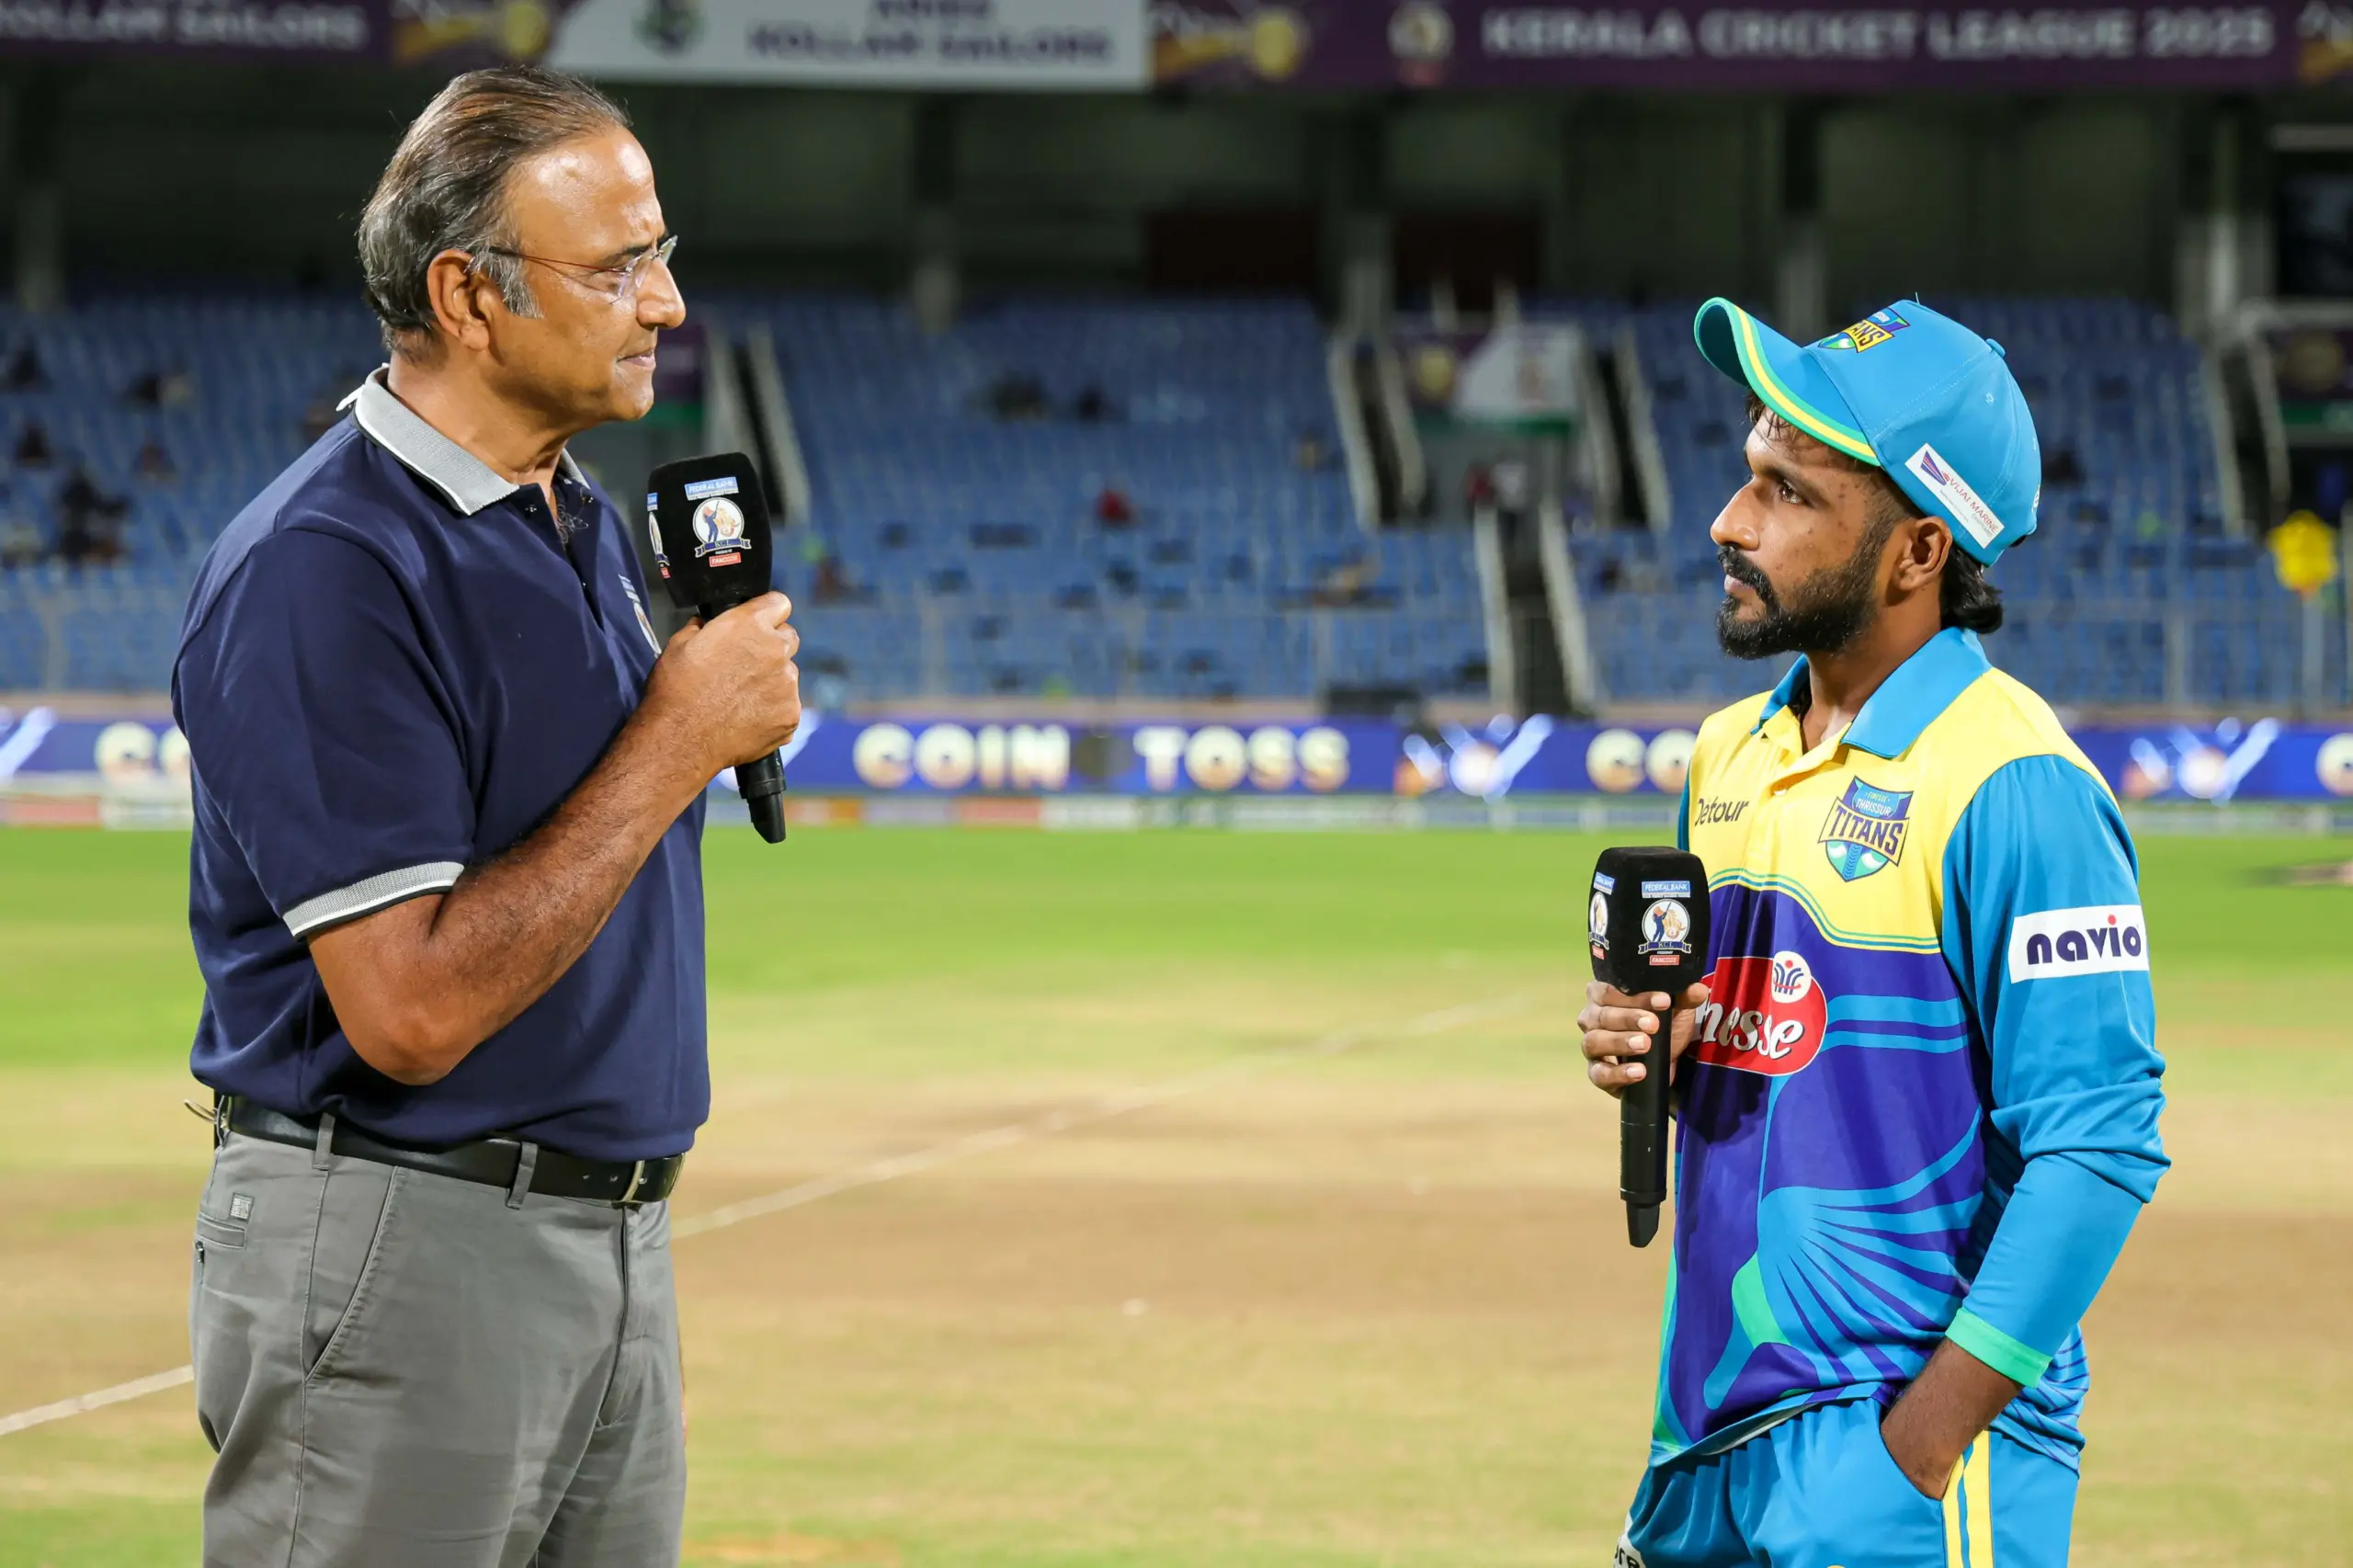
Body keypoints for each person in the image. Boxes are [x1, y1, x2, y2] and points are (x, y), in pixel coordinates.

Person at [172, 67, 801, 1568]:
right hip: (407, 1237)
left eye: (662, 253)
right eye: (619, 265)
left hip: (606, 1243)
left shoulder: (573, 518)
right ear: (467, 295)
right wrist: (679, 738)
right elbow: (409, 1010)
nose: (666, 304)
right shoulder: (326, 564)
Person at [1578, 300, 2166, 1568]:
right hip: (1704, 1438)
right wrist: (1659, 1047)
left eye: (1787, 493)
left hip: (1895, 1461)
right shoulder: (1728, 752)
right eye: (1749, 474)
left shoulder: (2016, 783)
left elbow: (2100, 1142)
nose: (1729, 522)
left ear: (1917, 551)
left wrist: (1921, 1446)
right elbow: (1787, 1062)